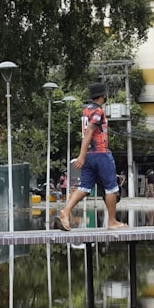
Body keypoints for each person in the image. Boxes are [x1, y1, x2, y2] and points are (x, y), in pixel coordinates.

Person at [55, 83, 127, 231]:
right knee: (111, 188)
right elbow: (89, 132)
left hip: (89, 155)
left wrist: (84, 155)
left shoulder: (86, 110)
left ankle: (65, 211)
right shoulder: (98, 111)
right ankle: (112, 221)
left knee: (84, 188)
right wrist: (80, 156)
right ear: (103, 95)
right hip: (100, 154)